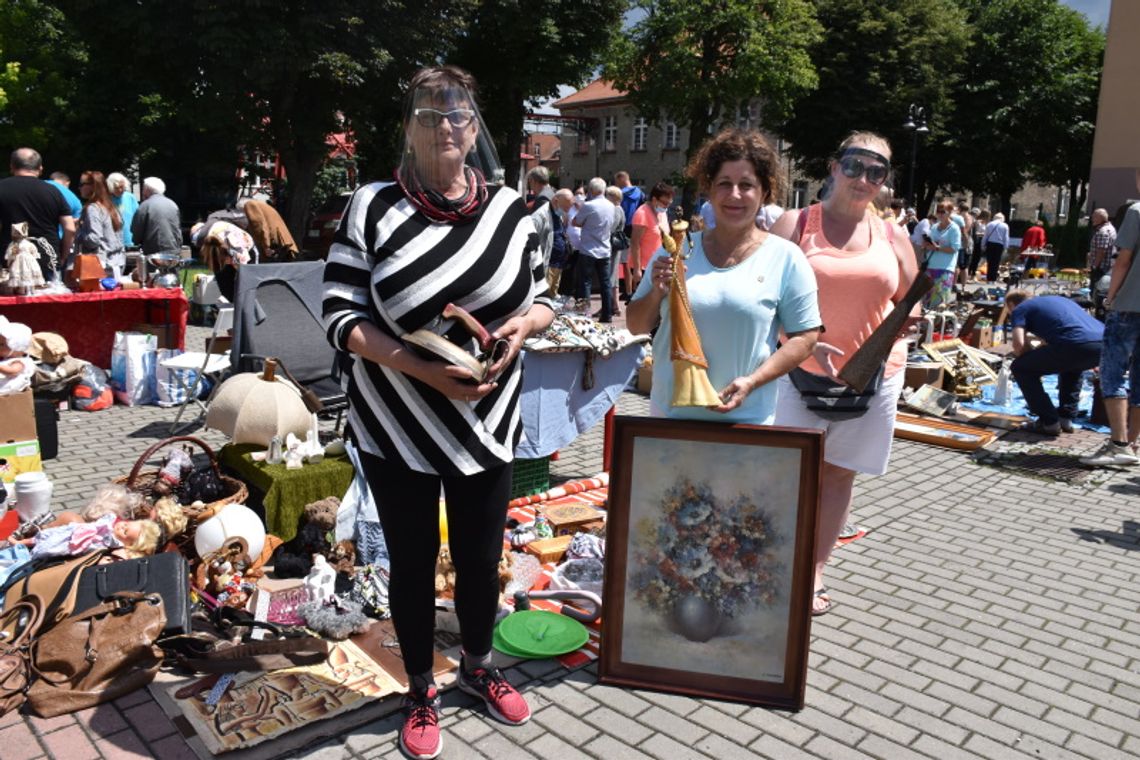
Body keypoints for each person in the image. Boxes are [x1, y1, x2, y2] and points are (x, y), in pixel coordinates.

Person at [321, 65, 553, 759]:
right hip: (398, 419)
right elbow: (340, 315)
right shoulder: (372, 206)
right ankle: (420, 686)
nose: (445, 126)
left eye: (457, 115)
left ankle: (479, 667)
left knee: (482, 560)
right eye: (430, 114)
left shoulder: (510, 208)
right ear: (409, 127)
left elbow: (541, 296)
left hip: (487, 418)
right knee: (413, 561)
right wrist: (417, 366)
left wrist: (524, 327)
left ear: (474, 126)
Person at [770, 131, 920, 617]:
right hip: (797, 371)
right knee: (786, 475)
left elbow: (911, 299)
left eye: (877, 171)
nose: (864, 178)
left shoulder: (893, 235)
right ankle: (775, 566)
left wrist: (907, 321)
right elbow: (760, 292)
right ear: (834, 167)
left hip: (870, 378)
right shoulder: (796, 224)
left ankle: (812, 572)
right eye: (855, 165)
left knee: (837, 478)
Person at [628, 127, 820, 424]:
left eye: (746, 185)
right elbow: (635, 326)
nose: (734, 195)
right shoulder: (678, 248)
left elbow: (806, 337)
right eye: (724, 184)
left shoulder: (785, 257)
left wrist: (753, 381)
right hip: (671, 416)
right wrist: (656, 292)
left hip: (747, 419)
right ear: (709, 188)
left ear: (764, 191)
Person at [1082, 185, 1140, 467]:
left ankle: (1119, 444)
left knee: (1112, 372)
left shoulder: (1137, 211)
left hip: (1130, 304)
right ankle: (1132, 444)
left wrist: (1112, 297)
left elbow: (1123, 261)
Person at [1004, 291, 1103, 435]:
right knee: (1072, 366)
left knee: (1020, 368)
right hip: (1102, 344)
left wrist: (1027, 356)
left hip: (1073, 343)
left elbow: (1018, 345)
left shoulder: (1020, 309)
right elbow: (1049, 340)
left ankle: (1049, 421)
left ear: (1012, 305)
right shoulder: (1057, 301)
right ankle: (1066, 417)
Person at [0, 148, 75, 267]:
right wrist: (63, 255)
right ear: (40, 168)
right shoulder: (53, 191)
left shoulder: (2, 188)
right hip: (48, 259)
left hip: (9, 259)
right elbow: (70, 228)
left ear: (12, 166)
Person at [572, 177, 615, 322]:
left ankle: (584, 314)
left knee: (585, 283)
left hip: (588, 249)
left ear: (590, 190)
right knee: (605, 283)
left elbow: (575, 222)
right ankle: (607, 314)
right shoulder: (611, 205)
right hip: (605, 249)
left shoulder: (588, 206)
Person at [76, 170, 126, 277]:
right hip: (118, 262)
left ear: (92, 186)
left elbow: (94, 239)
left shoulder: (93, 208)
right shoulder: (111, 207)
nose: (79, 188)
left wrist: (79, 233)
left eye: (81, 184)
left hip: (101, 264)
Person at [629, 181, 674, 295]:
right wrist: (637, 270)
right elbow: (635, 243)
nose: (667, 206)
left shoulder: (662, 213)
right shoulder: (642, 214)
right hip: (645, 267)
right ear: (654, 199)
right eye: (664, 203)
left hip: (660, 265)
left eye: (669, 203)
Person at [920, 201, 962, 309]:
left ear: (949, 212)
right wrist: (926, 244)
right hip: (930, 266)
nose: (940, 214)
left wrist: (937, 248)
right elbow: (931, 244)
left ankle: (938, 325)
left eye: (943, 212)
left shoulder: (954, 228)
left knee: (940, 302)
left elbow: (954, 248)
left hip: (945, 268)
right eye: (938, 211)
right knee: (926, 300)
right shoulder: (934, 227)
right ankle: (926, 325)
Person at [131, 177, 182, 256]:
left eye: (143, 189)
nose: (142, 192)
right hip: (173, 250)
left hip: (153, 252)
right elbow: (177, 228)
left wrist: (136, 242)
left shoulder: (144, 206)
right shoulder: (173, 204)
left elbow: (136, 231)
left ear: (147, 190)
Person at [543, 189, 573, 294]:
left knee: (554, 290)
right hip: (550, 261)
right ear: (556, 201)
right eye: (565, 208)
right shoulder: (544, 214)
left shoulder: (558, 213)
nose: (567, 211)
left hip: (559, 261)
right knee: (547, 291)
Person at [604, 185, 628, 316]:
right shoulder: (620, 209)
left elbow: (612, 228)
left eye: (607, 195)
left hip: (612, 245)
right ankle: (615, 305)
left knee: (610, 275)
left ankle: (610, 305)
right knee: (614, 276)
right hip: (616, 245)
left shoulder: (615, 210)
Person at [0, 320, 35, 395]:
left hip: (8, 391)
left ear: (16, 347)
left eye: (1, 345)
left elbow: (13, 371)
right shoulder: (6, 360)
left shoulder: (19, 361)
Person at [106, 172, 139, 248]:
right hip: (112, 243)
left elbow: (138, 217)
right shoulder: (106, 199)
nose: (120, 190)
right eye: (117, 188)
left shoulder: (130, 197)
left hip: (130, 240)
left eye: (122, 187)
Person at [1087, 208, 1116, 290]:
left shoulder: (1103, 231)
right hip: (1108, 266)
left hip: (1101, 268)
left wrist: (1094, 266)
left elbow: (1102, 250)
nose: (1092, 219)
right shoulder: (1111, 228)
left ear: (1100, 218)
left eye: (1094, 217)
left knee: (1095, 290)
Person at [980, 211, 1010, 283]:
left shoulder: (990, 224)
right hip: (999, 245)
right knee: (996, 262)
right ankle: (993, 279)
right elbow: (1006, 238)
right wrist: (1006, 247)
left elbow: (985, 236)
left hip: (990, 244)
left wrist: (983, 245)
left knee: (989, 261)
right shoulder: (1005, 226)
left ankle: (989, 278)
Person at [614, 170, 642, 238]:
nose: (616, 184)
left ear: (621, 179)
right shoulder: (640, 192)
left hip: (623, 226)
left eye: (617, 181)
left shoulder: (619, 194)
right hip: (637, 225)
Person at [955, 202, 974, 291]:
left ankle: (953, 284)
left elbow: (964, 231)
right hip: (969, 242)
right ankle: (963, 286)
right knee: (965, 266)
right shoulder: (971, 217)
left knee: (956, 265)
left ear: (960, 209)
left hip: (961, 241)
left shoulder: (960, 217)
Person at [969, 208, 989, 280]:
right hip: (977, 240)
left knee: (978, 258)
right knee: (974, 257)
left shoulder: (986, 223)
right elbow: (975, 232)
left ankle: (973, 273)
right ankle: (971, 272)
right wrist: (983, 234)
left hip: (982, 240)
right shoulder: (977, 222)